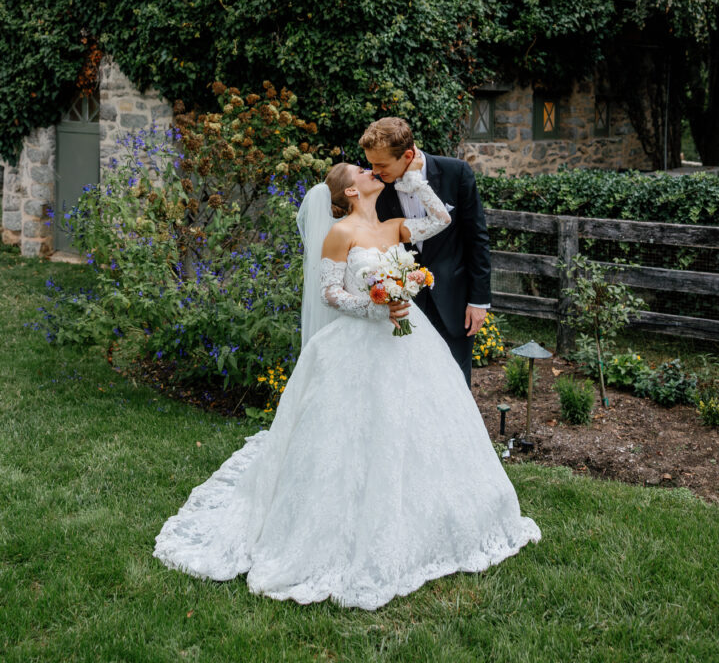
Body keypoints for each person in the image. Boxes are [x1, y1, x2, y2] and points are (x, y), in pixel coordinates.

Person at [153, 158, 540, 610]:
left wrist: (416, 181)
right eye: (361, 171)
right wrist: (374, 306)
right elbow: (330, 293)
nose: (370, 172)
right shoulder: (340, 235)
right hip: (357, 342)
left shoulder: (396, 226)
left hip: (409, 341)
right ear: (350, 191)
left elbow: (442, 219)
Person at [360, 117, 491, 387]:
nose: (374, 171)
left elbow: (477, 239)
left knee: (455, 383)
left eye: (381, 165)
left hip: (454, 302)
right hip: (404, 309)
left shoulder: (457, 173)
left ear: (407, 155)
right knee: (410, 385)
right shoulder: (375, 185)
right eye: (371, 164)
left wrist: (478, 302)